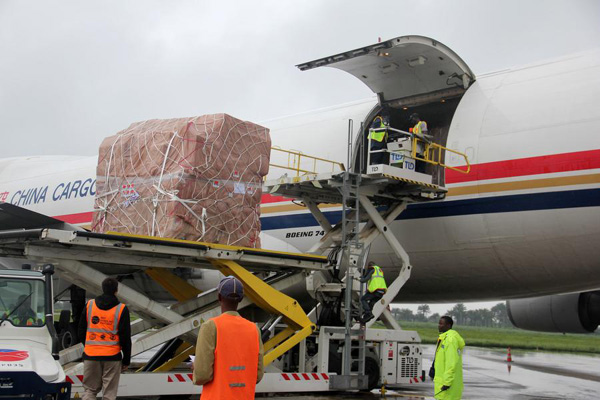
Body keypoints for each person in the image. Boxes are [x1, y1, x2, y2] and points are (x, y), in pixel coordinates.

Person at [193, 275, 264, 399]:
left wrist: (196, 367)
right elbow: (257, 375)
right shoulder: (254, 329)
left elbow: (202, 375)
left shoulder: (211, 326)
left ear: (219, 297)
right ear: (241, 299)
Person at [78, 277, 131, 400]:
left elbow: (81, 330)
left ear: (102, 289)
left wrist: (89, 347)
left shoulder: (90, 305)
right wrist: (126, 360)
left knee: (89, 391)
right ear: (116, 290)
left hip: (91, 355)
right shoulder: (122, 309)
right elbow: (125, 337)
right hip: (112, 356)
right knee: (109, 394)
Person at [432, 316, 465, 400]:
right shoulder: (444, 338)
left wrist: (447, 382)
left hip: (447, 387)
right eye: (439, 323)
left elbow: (451, 363)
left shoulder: (450, 340)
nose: (439, 325)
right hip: (442, 384)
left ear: (448, 325)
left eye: (441, 324)